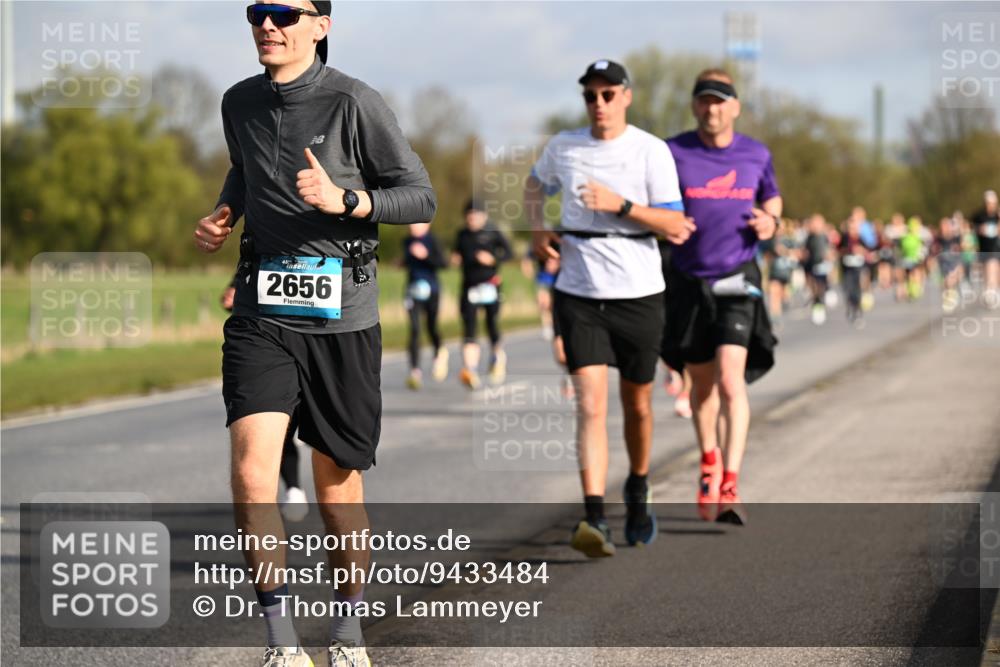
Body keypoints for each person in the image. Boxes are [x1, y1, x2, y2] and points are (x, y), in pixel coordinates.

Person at [193, 2, 435, 664]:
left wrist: (349, 201)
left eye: (282, 12)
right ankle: (281, 644)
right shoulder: (238, 102)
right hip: (261, 314)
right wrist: (225, 214)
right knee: (251, 472)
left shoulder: (356, 103)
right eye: (255, 12)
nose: (266, 24)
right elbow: (245, 168)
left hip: (342, 322)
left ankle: (349, 630)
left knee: (337, 492)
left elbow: (420, 195)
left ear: (319, 25)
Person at [526, 60, 692, 556]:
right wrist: (538, 230)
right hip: (578, 293)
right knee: (590, 404)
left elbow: (675, 224)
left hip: (638, 293)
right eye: (590, 96)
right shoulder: (564, 145)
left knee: (637, 405)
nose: (598, 104)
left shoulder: (650, 150)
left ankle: (638, 487)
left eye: (607, 94)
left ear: (626, 96)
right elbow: (535, 186)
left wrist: (619, 205)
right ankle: (594, 515)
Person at [662, 68, 782, 525]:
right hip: (689, 279)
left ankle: (730, 482)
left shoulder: (756, 153)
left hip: (737, 277)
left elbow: (772, 199)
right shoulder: (673, 151)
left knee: (733, 379)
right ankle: (708, 460)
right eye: (704, 101)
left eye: (720, 101)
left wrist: (771, 222)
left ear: (734, 107)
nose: (712, 109)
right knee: (703, 386)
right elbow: (653, 200)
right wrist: (665, 221)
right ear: (695, 106)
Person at [222, 278, 309, 521]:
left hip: (325, 334)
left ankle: (310, 427)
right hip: (269, 337)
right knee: (278, 423)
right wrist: (233, 289)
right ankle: (293, 487)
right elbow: (253, 260)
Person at [451, 199, 513, 389]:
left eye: (475, 215)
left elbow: (509, 253)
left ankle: (497, 356)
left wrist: (493, 259)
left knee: (491, 324)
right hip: (469, 286)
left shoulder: (492, 232)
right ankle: (470, 370)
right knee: (469, 327)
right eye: (469, 215)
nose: (472, 219)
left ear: (483, 216)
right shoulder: (462, 234)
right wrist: (456, 258)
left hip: (490, 285)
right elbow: (457, 252)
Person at [401, 222, 448, 390]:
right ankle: (414, 371)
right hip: (413, 289)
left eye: (416, 223)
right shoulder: (407, 241)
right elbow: (407, 261)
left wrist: (425, 255)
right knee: (414, 329)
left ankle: (439, 351)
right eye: (411, 224)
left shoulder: (433, 240)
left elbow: (444, 263)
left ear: (426, 225)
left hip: (432, 289)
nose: (412, 226)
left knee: (431, 326)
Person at [838, 214, 875, 328]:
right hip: (847, 268)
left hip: (858, 268)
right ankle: (851, 307)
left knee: (857, 290)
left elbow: (869, 252)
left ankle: (858, 311)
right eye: (851, 226)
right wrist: (847, 251)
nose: (853, 229)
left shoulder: (861, 238)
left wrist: (861, 251)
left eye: (855, 226)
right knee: (848, 289)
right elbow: (838, 250)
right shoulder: (844, 238)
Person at [803, 214, 834, 324]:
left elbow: (829, 250)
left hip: (822, 265)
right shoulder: (809, 237)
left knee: (822, 284)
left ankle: (826, 294)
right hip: (811, 265)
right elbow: (805, 251)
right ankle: (817, 305)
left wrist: (829, 257)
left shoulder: (824, 236)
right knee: (814, 287)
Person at [972, 189, 999, 307]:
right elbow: (972, 229)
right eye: (989, 203)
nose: (991, 206)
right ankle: (990, 292)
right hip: (985, 248)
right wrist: (980, 229)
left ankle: (993, 291)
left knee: (996, 271)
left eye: (993, 204)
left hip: (997, 247)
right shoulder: (979, 216)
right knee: (989, 269)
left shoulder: (997, 216)